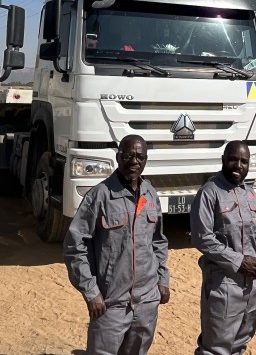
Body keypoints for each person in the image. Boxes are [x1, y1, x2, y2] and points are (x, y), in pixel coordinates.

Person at [63, 135, 170, 355]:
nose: (134, 161)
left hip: (146, 302)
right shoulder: (99, 196)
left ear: (146, 160)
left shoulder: (150, 194)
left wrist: (162, 279)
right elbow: (75, 246)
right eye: (129, 155)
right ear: (118, 156)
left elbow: (158, 241)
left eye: (140, 157)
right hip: (110, 303)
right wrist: (91, 292)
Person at [190, 140, 256, 355]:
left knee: (240, 344)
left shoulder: (250, 194)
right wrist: (238, 261)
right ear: (223, 160)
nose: (238, 165)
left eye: (244, 161)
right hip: (223, 284)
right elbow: (202, 237)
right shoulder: (209, 192)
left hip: (252, 284)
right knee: (215, 348)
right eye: (233, 159)